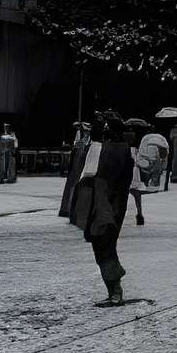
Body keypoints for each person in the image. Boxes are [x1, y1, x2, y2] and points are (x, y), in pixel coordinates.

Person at [77, 110, 139, 304]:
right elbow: (132, 180)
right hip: (118, 204)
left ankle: (115, 290)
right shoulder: (128, 150)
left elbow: (86, 178)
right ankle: (114, 286)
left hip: (100, 203)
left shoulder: (97, 149)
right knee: (108, 243)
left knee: (102, 245)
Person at [61, 119, 92, 219]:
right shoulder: (80, 142)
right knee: (73, 184)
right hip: (77, 167)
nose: (85, 132)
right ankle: (70, 208)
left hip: (83, 166)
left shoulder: (88, 141)